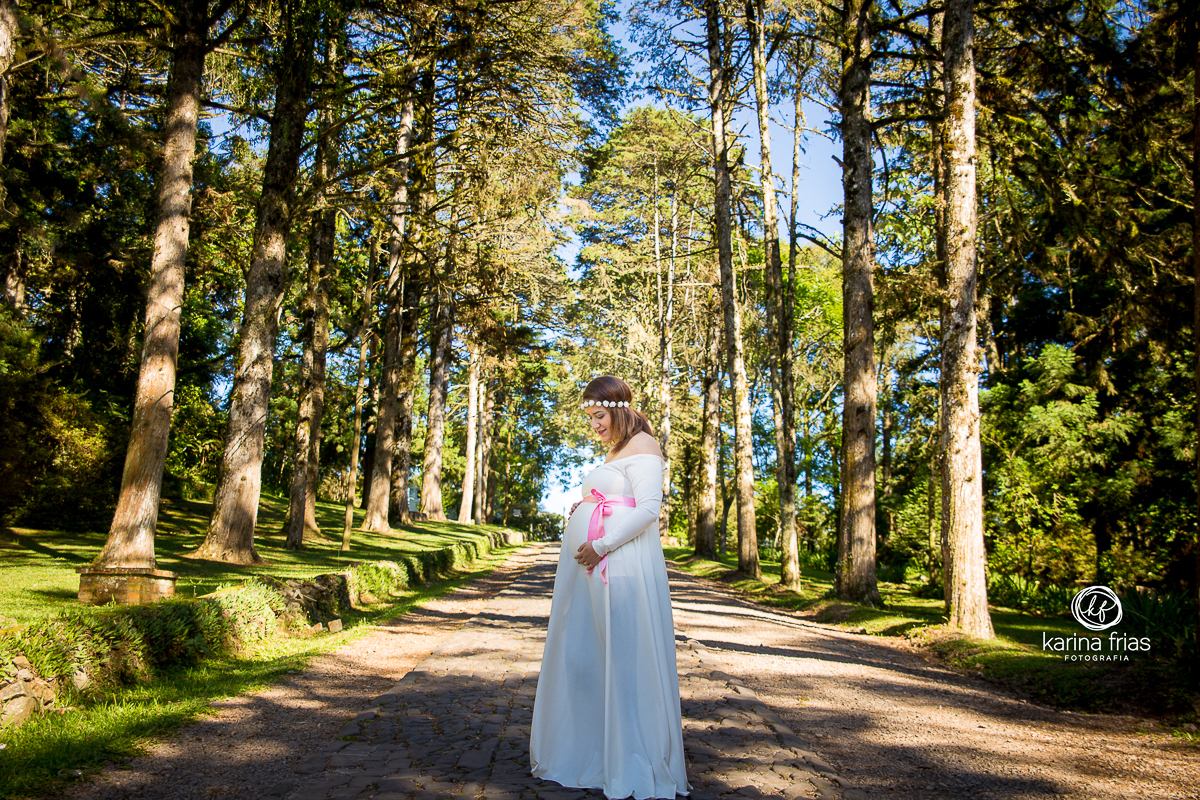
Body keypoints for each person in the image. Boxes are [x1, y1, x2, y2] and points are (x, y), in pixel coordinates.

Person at [530, 375, 689, 799]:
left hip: (618, 565)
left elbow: (649, 510)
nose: (594, 425)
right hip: (594, 569)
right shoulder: (616, 450)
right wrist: (584, 507)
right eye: (590, 417)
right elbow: (617, 499)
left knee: (622, 657)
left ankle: (631, 759)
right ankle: (594, 751)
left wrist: (599, 545)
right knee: (585, 656)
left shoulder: (644, 445)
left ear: (619, 408)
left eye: (599, 415)